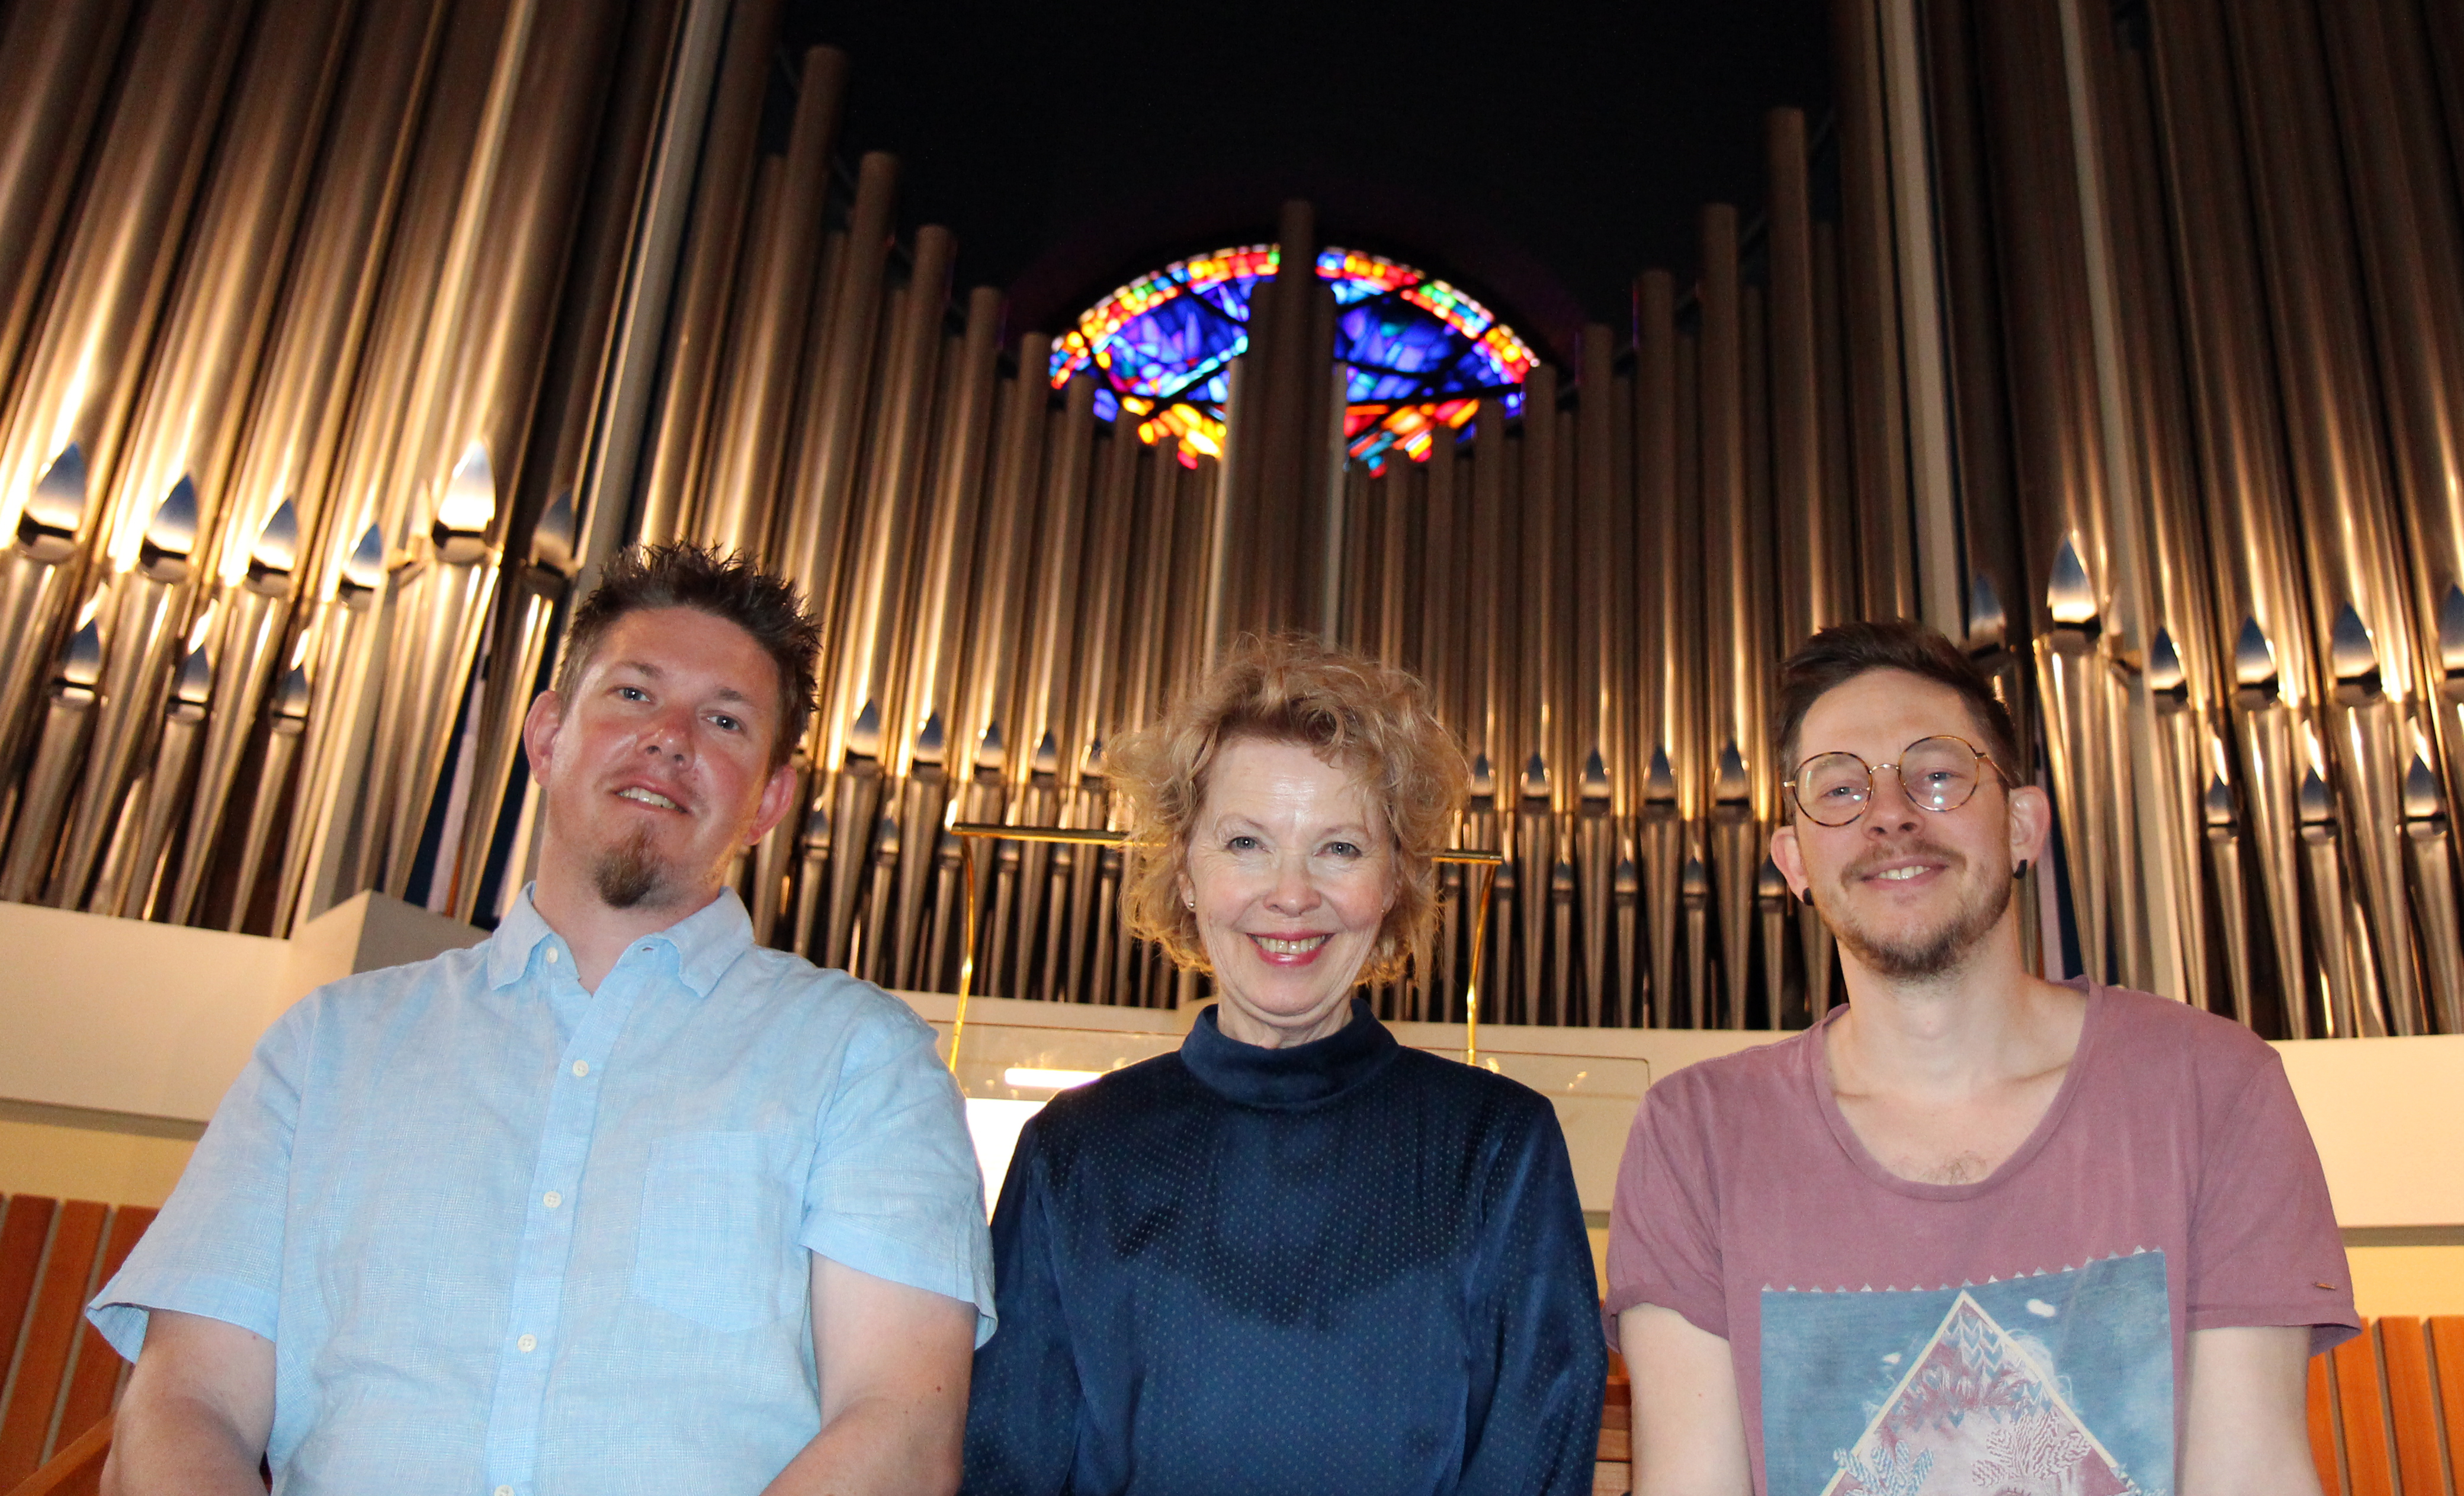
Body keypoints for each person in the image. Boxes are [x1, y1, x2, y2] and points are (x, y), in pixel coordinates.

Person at [90, 541, 995, 1496]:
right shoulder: (326, 1047)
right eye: (634, 696)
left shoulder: (864, 1059)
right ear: (546, 736)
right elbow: (187, 1401)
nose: (672, 738)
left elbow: (899, 1426)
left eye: (725, 721)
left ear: (770, 800)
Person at [1607, 619, 2356, 1496]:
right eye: (1839, 789)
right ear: (1794, 863)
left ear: (2025, 827)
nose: (1889, 814)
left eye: (1936, 775)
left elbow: (2253, 1476)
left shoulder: (2214, 1088)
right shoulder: (1694, 1135)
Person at [962, 635, 1606, 1495]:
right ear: (1185, 872)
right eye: (1246, 844)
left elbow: (1538, 1455)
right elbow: (1010, 1464)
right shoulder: (1071, 1154)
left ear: (1395, 883)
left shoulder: (1498, 1147)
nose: (1292, 894)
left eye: (1340, 848)